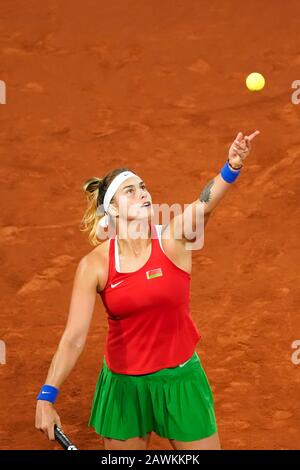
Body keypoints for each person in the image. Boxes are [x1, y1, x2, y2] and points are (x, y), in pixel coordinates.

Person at [35, 130, 259, 450]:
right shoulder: (95, 266)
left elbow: (204, 206)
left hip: (180, 381)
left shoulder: (173, 239)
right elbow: (73, 337)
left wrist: (232, 166)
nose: (142, 193)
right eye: (130, 190)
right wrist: (47, 396)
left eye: (142, 187)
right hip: (124, 389)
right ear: (111, 209)